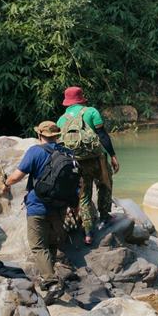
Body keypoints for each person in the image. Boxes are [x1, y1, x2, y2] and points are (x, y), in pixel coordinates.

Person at [1, 121, 74, 302]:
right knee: (51, 243)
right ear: (56, 136)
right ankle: (47, 277)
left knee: (37, 245)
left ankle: (52, 282)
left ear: (40, 135)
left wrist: (5, 184)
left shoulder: (35, 151)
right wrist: (75, 206)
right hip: (60, 206)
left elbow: (17, 176)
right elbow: (76, 182)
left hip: (38, 206)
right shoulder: (68, 153)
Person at [56, 86, 120, 244]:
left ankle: (88, 232)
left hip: (77, 163)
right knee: (105, 185)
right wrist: (113, 155)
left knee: (83, 195)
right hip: (98, 160)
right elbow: (103, 135)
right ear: (81, 98)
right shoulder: (91, 112)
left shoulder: (61, 119)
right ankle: (105, 217)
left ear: (67, 102)